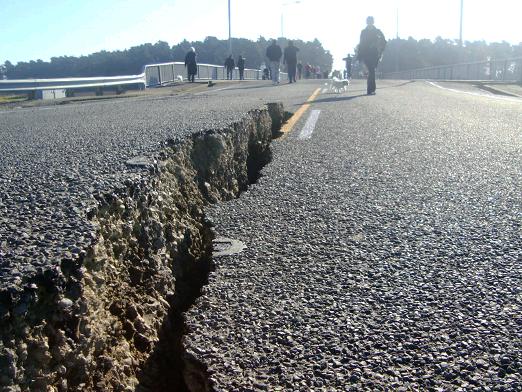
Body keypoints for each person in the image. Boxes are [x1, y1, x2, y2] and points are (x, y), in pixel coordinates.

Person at [357, 16, 386, 95]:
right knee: (371, 71)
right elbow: (361, 44)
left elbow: (384, 41)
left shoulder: (377, 31)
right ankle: (370, 90)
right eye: (368, 21)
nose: (369, 22)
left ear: (373, 22)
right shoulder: (363, 32)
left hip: (375, 54)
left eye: (371, 21)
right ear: (367, 22)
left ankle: (371, 89)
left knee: (372, 71)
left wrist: (381, 51)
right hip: (366, 54)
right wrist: (359, 56)